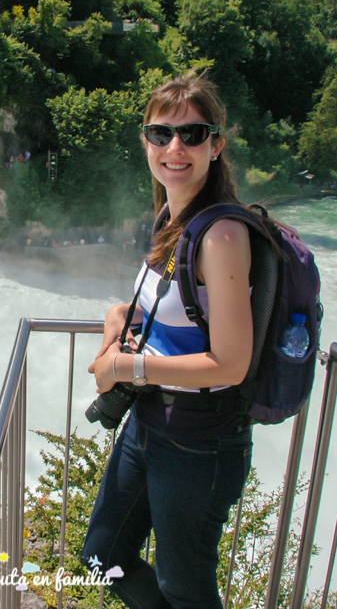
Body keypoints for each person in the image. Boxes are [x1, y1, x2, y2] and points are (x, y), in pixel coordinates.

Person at [83, 71, 256, 609]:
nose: (175, 147)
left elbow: (230, 364)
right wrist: (118, 318)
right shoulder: (170, 217)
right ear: (146, 142)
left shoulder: (223, 235)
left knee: (185, 587)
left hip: (201, 443)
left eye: (193, 134)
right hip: (150, 425)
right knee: (101, 557)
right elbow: (170, 309)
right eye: (161, 134)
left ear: (216, 146)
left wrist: (128, 370)